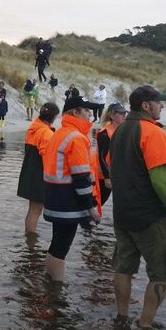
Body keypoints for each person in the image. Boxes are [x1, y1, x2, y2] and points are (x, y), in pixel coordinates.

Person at [109, 85, 166, 328]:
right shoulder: (153, 132)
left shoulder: (118, 131)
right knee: (162, 272)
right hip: (149, 216)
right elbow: (161, 181)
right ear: (146, 106)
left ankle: (122, 316)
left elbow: (111, 168)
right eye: (159, 102)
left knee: (123, 267)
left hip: (122, 213)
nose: (162, 106)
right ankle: (146, 325)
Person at [42, 96, 101, 281]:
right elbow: (81, 176)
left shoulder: (59, 133)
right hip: (68, 202)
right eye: (86, 110)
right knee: (62, 248)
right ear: (75, 112)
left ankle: (49, 282)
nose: (90, 114)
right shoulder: (76, 138)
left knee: (56, 244)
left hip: (54, 197)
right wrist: (91, 207)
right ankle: (57, 290)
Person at [17, 102, 60, 233]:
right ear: (53, 117)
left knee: (32, 209)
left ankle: (29, 239)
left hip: (29, 172)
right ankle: (31, 238)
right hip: (39, 175)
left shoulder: (33, 128)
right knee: (36, 210)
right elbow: (48, 158)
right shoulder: (46, 133)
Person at [96, 102, 127, 205]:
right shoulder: (104, 134)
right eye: (121, 113)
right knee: (98, 202)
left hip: (117, 175)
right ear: (112, 115)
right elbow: (102, 157)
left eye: (124, 113)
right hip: (103, 176)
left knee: (124, 202)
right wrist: (107, 178)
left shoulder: (122, 131)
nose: (124, 115)